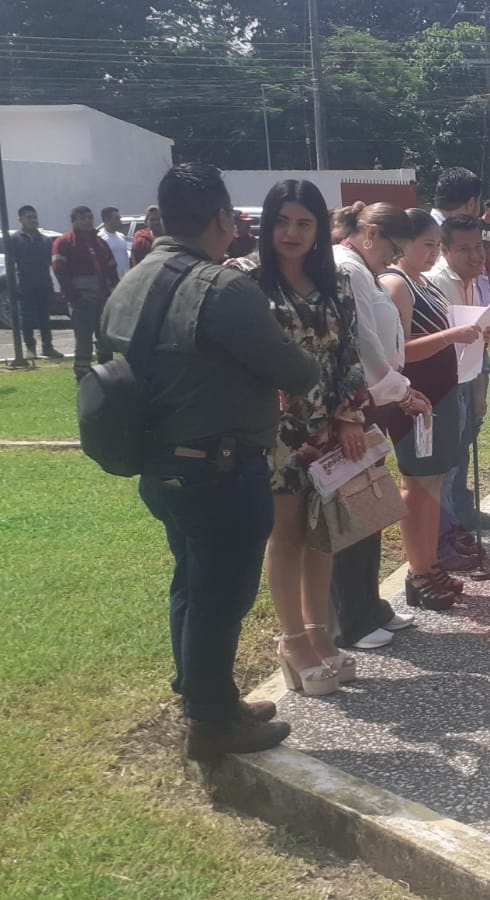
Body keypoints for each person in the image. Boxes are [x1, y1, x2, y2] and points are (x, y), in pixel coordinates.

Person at [102, 162, 320, 759]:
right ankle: (212, 722)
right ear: (224, 218)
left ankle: (202, 693)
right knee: (221, 596)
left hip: (159, 463)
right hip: (218, 468)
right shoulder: (222, 287)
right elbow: (294, 369)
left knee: (192, 581)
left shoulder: (133, 279)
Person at [241, 180, 371, 696]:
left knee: (324, 533)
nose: (291, 233)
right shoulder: (246, 280)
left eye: (303, 222)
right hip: (277, 429)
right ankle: (292, 640)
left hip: (330, 424)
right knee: (288, 533)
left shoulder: (336, 280)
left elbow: (349, 351)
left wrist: (351, 416)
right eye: (281, 221)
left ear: (319, 228)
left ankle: (319, 632)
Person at [331, 201, 428, 649]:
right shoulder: (347, 269)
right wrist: (400, 389)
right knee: (353, 511)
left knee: (370, 505)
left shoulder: (362, 269)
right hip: (356, 404)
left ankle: (368, 604)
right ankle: (350, 618)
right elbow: (363, 344)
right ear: (370, 234)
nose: (394, 258)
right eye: (392, 248)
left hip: (373, 401)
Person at [379, 209, 484, 610]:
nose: (433, 253)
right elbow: (398, 352)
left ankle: (429, 563)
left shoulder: (424, 282)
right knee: (417, 486)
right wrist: (451, 336)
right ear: (402, 243)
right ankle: (418, 569)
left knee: (433, 483)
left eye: (438, 245)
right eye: (426, 244)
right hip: (415, 402)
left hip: (441, 397)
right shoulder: (396, 283)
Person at [426, 215, 490, 546]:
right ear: (444, 250)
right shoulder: (436, 283)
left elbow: (472, 337)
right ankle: (443, 538)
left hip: (467, 375)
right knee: (445, 463)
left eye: (479, 247)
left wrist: (478, 389)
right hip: (442, 384)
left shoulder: (472, 280)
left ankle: (460, 517)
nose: (475, 256)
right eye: (464, 249)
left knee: (461, 453)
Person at [51, 205, 118, 379]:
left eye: (89, 217)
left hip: (103, 299)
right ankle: (82, 375)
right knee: (84, 340)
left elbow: (112, 269)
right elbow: (59, 270)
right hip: (81, 300)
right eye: (82, 218)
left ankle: (106, 375)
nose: (87, 221)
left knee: (105, 338)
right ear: (74, 222)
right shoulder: (64, 242)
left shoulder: (100, 243)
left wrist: (115, 293)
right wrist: (73, 296)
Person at [3, 205, 62, 359]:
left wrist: (55, 286)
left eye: (34, 217)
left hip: (44, 284)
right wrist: (13, 286)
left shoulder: (45, 240)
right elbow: (11, 264)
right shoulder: (14, 240)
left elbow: (51, 264)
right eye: (29, 217)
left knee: (45, 318)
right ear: (21, 219)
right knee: (28, 318)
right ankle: (30, 348)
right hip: (25, 285)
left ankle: (48, 347)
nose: (33, 220)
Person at [98, 207, 131, 277]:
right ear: (106, 219)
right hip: (112, 279)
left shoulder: (121, 236)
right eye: (117, 218)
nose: (120, 221)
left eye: (119, 218)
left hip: (126, 278)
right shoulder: (100, 238)